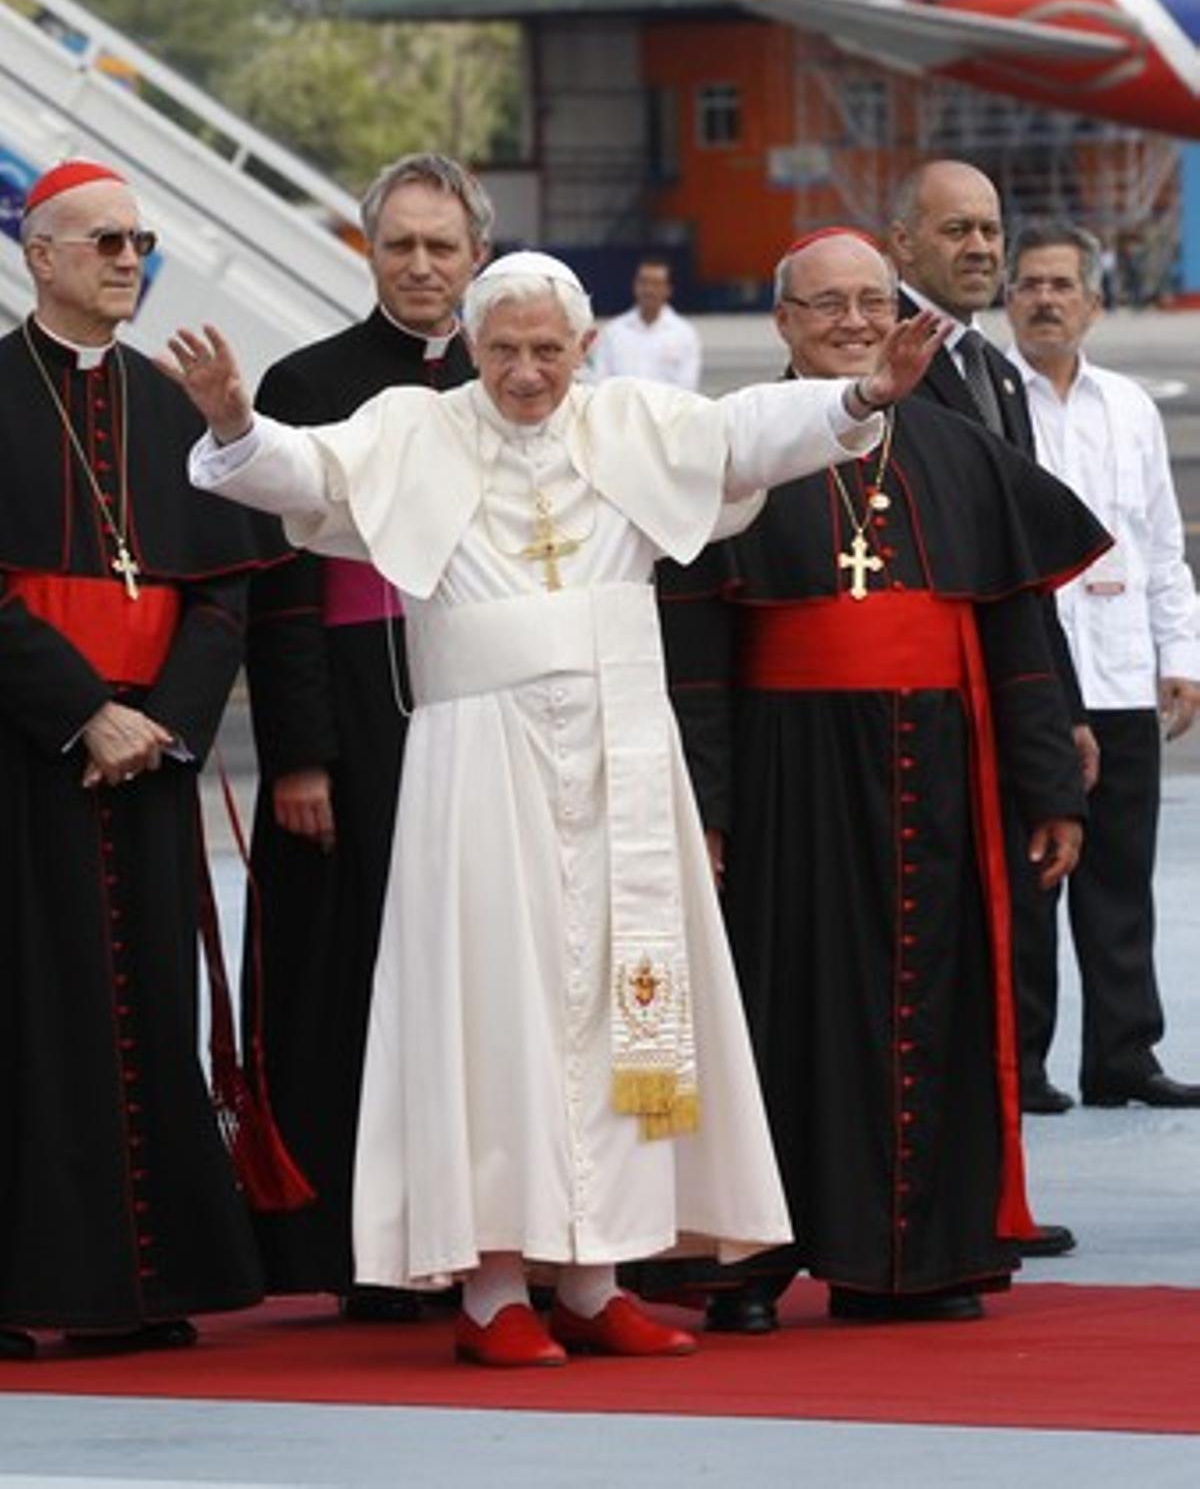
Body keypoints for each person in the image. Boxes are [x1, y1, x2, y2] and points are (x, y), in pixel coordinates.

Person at [172, 249, 946, 1366]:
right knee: (496, 1013)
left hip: (622, 754)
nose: (526, 373)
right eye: (503, 351)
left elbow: (747, 433)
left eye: (547, 349)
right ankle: (494, 1291)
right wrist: (237, 417)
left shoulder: (633, 420)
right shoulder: (414, 430)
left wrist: (865, 396)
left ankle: (596, 1274)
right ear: (470, 352)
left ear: (584, 347)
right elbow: (302, 471)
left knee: (618, 1015)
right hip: (478, 764)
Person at [657, 228, 1108, 1333]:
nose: (855, 321)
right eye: (827, 305)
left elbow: (1016, 628)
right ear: (782, 322)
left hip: (936, 778)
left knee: (934, 1003)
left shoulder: (955, 448)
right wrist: (705, 810)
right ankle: (753, 1259)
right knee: (778, 1009)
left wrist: (1050, 782)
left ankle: (907, 1259)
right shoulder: (737, 446)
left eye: (872, 300)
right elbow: (698, 659)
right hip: (782, 779)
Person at [0, 159, 273, 1361]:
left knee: (146, 1007)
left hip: (149, 759)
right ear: (38, 253)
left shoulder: (174, 409)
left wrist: (160, 720)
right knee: (29, 1012)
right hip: (22, 756)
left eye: (140, 241)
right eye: (103, 240)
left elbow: (223, 593)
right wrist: (79, 710)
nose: (128, 259)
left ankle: (137, 1278)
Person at [241, 153, 491, 1318]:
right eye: (402, 245)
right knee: (357, 982)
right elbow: (281, 583)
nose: (425, 266)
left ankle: (500, 1234)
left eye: (444, 245)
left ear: (477, 253)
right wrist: (298, 752)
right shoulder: (306, 380)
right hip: (357, 724)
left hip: (491, 715)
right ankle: (368, 1249)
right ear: (370, 251)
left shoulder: (520, 372)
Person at [889, 162, 1095, 1214]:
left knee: (1012, 946)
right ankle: (953, 1195)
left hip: (1002, 693)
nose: (980, 247)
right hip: (918, 709)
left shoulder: (997, 373)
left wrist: (1056, 713)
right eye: (956, 229)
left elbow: (1026, 568)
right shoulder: (889, 360)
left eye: (990, 230)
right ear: (904, 243)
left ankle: (994, 1187)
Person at [1005, 221, 1200, 1108]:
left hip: (1120, 673)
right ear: (1009, 301)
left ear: (1094, 302)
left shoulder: (1129, 408)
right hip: (1037, 678)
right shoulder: (994, 400)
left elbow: (1162, 541)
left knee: (1120, 874)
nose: (1046, 298)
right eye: (1031, 283)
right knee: (1031, 875)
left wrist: (1181, 654)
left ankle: (1123, 1054)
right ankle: (1026, 1060)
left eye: (1062, 285)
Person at [589, 257, 702, 389]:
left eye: (656, 284)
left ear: (668, 289)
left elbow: (687, 388)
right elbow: (600, 382)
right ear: (635, 285)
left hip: (668, 409)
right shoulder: (613, 331)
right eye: (643, 282)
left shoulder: (685, 335)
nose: (649, 290)